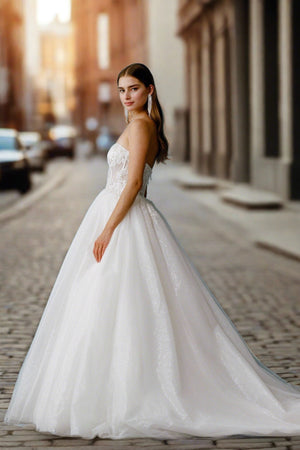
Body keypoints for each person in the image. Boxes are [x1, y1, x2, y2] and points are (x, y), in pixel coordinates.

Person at [4, 63, 300, 440]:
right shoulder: (135, 125)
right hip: (121, 215)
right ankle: (107, 388)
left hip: (122, 218)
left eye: (133, 88)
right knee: (109, 303)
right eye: (122, 89)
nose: (126, 95)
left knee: (125, 302)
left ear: (150, 90)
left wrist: (107, 229)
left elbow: (131, 187)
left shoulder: (142, 126)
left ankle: (128, 393)